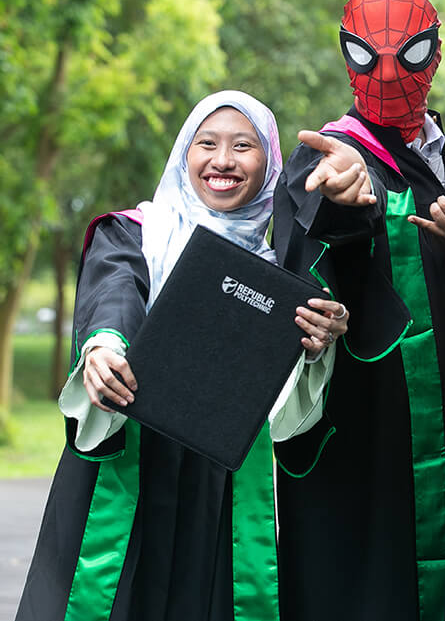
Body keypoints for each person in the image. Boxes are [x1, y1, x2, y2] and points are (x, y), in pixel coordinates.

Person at [16, 90, 349, 621]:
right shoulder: (133, 233)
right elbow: (115, 291)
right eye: (207, 143)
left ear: (268, 164)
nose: (223, 161)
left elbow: (285, 419)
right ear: (182, 154)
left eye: (244, 146)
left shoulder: (280, 277)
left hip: (218, 487)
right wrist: (105, 345)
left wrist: (314, 347)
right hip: (130, 462)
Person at [271, 0, 445, 621]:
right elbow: (303, 277)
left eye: (407, 54)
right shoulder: (321, 155)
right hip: (364, 420)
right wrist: (344, 205)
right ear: (345, 53)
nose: (386, 73)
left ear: (434, 54)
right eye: (365, 54)